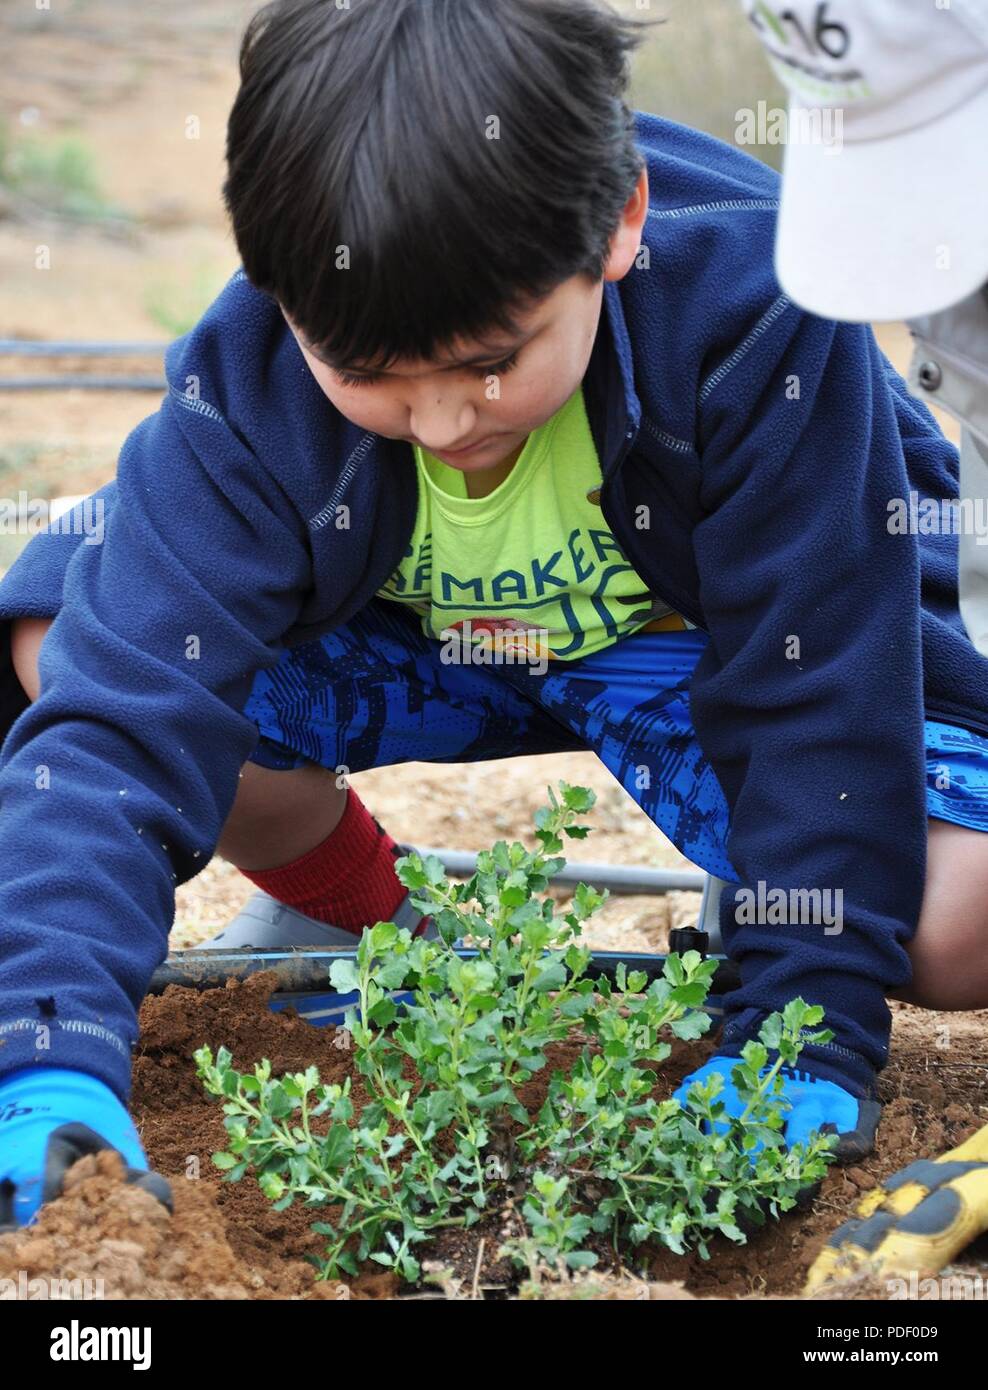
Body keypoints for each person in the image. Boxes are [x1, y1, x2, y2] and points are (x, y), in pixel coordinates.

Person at [2, 0, 987, 1228]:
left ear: (620, 224)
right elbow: (122, 716)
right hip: (428, 650)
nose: (444, 426)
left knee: (955, 922)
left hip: (694, 653)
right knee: (57, 642)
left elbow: (822, 681)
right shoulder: (258, 371)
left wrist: (810, 1023)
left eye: (490, 361)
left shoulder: (752, 314)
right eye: (368, 378)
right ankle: (360, 917)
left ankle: (764, 897)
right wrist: (50, 1058)